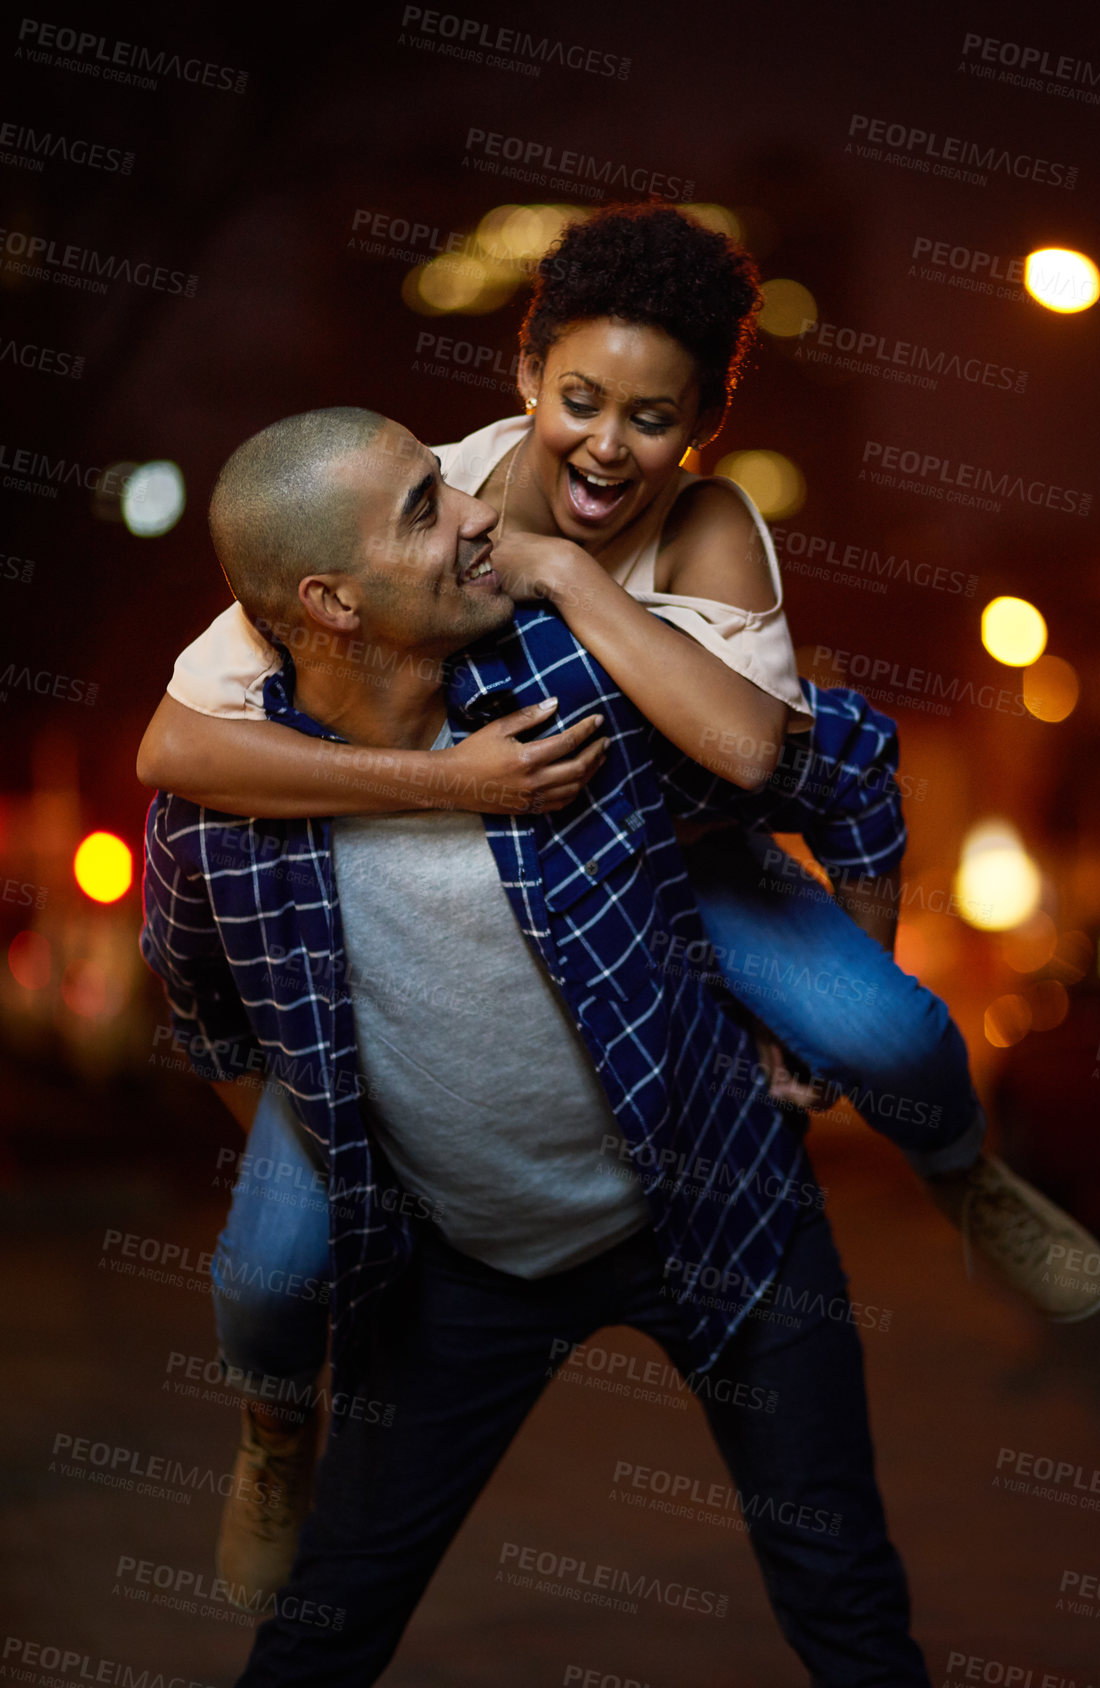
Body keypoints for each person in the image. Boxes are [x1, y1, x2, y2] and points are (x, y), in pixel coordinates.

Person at [136, 206, 1100, 1598]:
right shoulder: (429, 492)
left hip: (690, 852)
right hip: (512, 808)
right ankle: (275, 1425)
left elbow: (760, 762)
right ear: (525, 379)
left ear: (699, 426)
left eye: (649, 419)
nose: (603, 447)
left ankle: (966, 1178)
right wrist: (446, 785)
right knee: (270, 1270)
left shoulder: (711, 534)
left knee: (893, 1036)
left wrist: (559, 574)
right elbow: (172, 747)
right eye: (576, 401)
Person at [142, 405, 935, 1683]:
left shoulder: (579, 693)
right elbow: (208, 1020)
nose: (478, 511)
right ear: (330, 602)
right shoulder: (220, 826)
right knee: (318, 1637)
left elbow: (839, 766)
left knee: (849, 1608)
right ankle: (272, 1417)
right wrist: (343, 1171)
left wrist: (848, 987)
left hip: (721, 1208)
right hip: (463, 1265)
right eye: (424, 507)